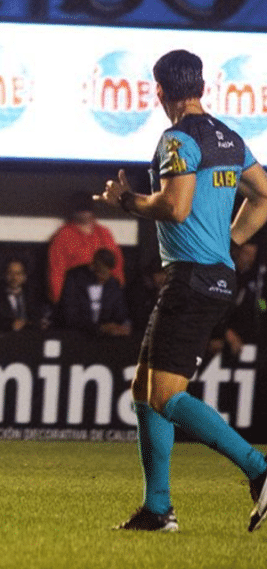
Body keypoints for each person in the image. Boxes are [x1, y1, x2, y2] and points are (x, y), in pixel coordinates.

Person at [96, 49, 267, 533]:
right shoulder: (229, 138)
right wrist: (230, 240)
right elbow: (264, 193)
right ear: (203, 87)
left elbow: (174, 207)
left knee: (167, 395)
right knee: (145, 391)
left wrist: (125, 200)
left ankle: (260, 470)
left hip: (191, 277)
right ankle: (157, 509)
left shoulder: (177, 139)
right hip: (211, 275)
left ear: (159, 91)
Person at [47, 191, 125, 305]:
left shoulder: (104, 233)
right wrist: (58, 303)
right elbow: (56, 272)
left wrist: (118, 294)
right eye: (80, 208)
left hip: (104, 298)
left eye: (86, 207)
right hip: (76, 298)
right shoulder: (63, 237)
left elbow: (117, 266)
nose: (84, 212)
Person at [55, 248, 131, 337]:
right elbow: (68, 315)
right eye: (101, 273)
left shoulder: (113, 283)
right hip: (77, 336)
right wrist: (99, 328)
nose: (105, 278)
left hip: (106, 339)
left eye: (108, 274)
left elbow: (120, 313)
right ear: (92, 266)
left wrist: (120, 326)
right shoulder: (74, 278)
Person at [0, 257, 46, 334]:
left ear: (25, 276)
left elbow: (39, 318)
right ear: (4, 275)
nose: (14, 277)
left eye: (18, 273)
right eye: (10, 273)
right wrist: (10, 325)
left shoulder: (34, 296)